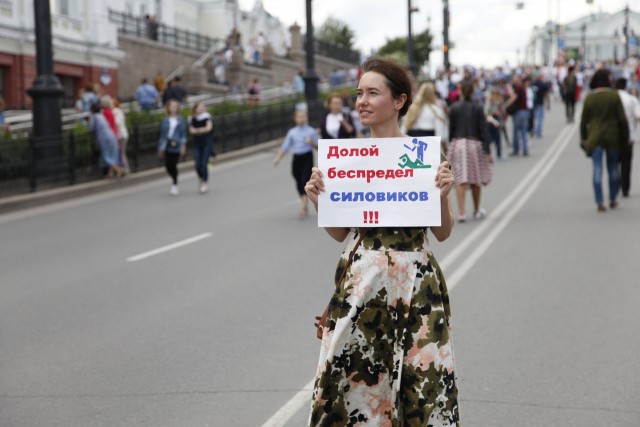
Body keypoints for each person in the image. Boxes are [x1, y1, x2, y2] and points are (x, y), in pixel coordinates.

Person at [304, 58, 459, 426]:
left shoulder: (423, 156)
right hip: (363, 284)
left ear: (400, 100)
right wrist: (320, 201)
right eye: (359, 93)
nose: (362, 101)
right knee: (358, 384)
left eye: (373, 93)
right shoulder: (348, 158)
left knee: (422, 383)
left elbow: (442, 232)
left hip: (416, 285)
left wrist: (442, 195)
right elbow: (343, 234)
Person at [579, 68, 629, 212]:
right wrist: (625, 137)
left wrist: (583, 138)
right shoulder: (614, 96)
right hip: (613, 136)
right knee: (613, 168)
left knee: (597, 168)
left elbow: (583, 121)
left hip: (595, 136)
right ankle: (613, 198)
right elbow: (622, 119)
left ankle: (599, 201)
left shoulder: (590, 98)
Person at [448, 81, 493, 222]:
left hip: (458, 144)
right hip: (474, 144)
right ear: (473, 92)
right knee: (475, 179)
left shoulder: (454, 108)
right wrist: (488, 151)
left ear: (461, 92)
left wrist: (451, 148)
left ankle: (461, 211)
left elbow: (451, 130)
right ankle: (477, 209)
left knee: (460, 179)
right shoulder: (478, 108)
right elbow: (483, 130)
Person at [273, 108, 318, 219]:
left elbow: (318, 146)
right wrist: (278, 158)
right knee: (297, 178)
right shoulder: (292, 132)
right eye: (299, 116)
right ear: (295, 119)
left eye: (304, 116)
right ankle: (304, 200)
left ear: (306, 118)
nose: (302, 118)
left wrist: (311, 143)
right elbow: (286, 146)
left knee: (304, 180)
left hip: (307, 156)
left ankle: (303, 205)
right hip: (297, 157)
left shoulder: (311, 131)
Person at [614, 77, 640, 198]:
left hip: (614, 135)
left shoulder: (612, 99)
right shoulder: (631, 99)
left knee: (613, 162)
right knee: (626, 162)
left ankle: (615, 184)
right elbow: (638, 116)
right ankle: (625, 187)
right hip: (629, 135)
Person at [402, 81, 449, 146]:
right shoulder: (436, 110)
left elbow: (403, 130)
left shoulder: (412, 109)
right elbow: (441, 135)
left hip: (412, 144)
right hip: (429, 145)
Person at [158, 99, 188, 196]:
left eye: (176, 106)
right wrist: (160, 148)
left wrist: (183, 146)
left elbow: (183, 134)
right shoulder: (165, 120)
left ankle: (175, 183)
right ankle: (174, 178)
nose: (174, 108)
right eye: (172, 106)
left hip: (177, 144)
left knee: (173, 164)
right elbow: (162, 135)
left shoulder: (181, 120)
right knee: (168, 165)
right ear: (168, 108)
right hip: (166, 144)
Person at [88, 103, 124, 178]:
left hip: (104, 138)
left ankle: (118, 170)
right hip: (112, 136)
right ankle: (110, 174)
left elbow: (91, 129)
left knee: (106, 156)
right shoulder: (101, 115)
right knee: (113, 155)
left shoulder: (94, 117)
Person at [188, 101, 214, 194]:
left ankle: (205, 182)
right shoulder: (192, 118)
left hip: (206, 142)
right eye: (199, 107)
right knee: (197, 165)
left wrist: (198, 130)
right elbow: (191, 130)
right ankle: (201, 178)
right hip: (197, 143)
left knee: (204, 163)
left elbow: (209, 128)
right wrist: (201, 130)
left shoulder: (206, 116)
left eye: (202, 107)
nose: (201, 109)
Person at [505, 74, 530, 156]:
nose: (514, 82)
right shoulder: (522, 87)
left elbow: (513, 98)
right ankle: (525, 149)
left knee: (516, 132)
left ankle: (516, 150)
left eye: (515, 81)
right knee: (524, 131)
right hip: (525, 111)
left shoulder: (518, 88)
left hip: (520, 112)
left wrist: (505, 105)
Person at [486, 87, 506, 160]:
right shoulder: (491, 101)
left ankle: (498, 154)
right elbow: (488, 111)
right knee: (491, 138)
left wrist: (502, 121)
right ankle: (488, 153)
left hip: (496, 121)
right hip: (492, 121)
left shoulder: (498, 102)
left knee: (497, 139)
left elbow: (502, 113)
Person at [112, 98, 130, 173]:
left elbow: (117, 122)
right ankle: (124, 168)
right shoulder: (119, 111)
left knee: (121, 153)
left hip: (121, 135)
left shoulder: (116, 112)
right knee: (121, 153)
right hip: (123, 134)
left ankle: (125, 169)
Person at [531, 73, 551, 138]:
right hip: (539, 103)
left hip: (533, 103)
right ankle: (538, 132)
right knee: (539, 118)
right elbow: (547, 94)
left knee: (534, 118)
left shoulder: (532, 84)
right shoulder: (542, 84)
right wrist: (548, 103)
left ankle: (534, 130)